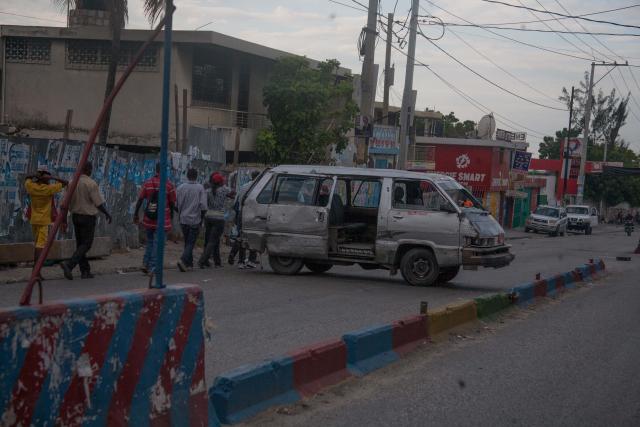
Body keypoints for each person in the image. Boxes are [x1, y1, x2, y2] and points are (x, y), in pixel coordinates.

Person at [60, 161, 112, 280]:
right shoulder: (91, 183)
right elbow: (98, 203)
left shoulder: (72, 183)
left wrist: (64, 220)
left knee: (80, 245)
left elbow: (65, 203)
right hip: (88, 217)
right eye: (91, 169)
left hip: (76, 216)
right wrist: (107, 214)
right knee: (86, 244)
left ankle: (85, 271)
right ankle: (69, 264)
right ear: (88, 169)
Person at [24, 167, 68, 279]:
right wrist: (53, 177)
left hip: (33, 220)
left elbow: (27, 178)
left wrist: (36, 175)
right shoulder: (49, 189)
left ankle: (36, 270)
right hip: (43, 221)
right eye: (47, 177)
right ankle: (36, 270)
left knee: (37, 245)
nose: (49, 179)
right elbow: (65, 183)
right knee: (40, 246)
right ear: (45, 178)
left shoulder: (31, 186)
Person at [133, 163, 176, 275]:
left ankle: (145, 263)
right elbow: (172, 202)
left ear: (155, 170)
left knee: (150, 242)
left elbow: (140, 199)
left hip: (149, 218)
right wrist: (171, 215)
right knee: (158, 243)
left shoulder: (147, 183)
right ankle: (152, 267)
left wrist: (136, 214)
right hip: (162, 220)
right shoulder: (169, 185)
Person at [198, 172, 234, 268]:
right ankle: (202, 260)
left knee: (210, 239)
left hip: (209, 217)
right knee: (213, 241)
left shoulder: (208, 191)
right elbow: (233, 193)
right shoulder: (224, 190)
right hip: (219, 218)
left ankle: (217, 261)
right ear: (221, 182)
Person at [176, 168, 207, 272]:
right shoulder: (200, 188)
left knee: (187, 241)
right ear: (196, 176)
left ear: (187, 176)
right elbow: (203, 206)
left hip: (183, 219)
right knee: (191, 243)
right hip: (195, 219)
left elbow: (177, 205)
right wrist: (201, 219)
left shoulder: (180, 187)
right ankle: (183, 260)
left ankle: (189, 264)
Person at [228, 171, 260, 268]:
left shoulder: (244, 186)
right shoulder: (260, 188)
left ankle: (241, 261)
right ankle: (251, 260)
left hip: (242, 214)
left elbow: (236, 201)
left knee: (241, 236)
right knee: (254, 236)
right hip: (254, 214)